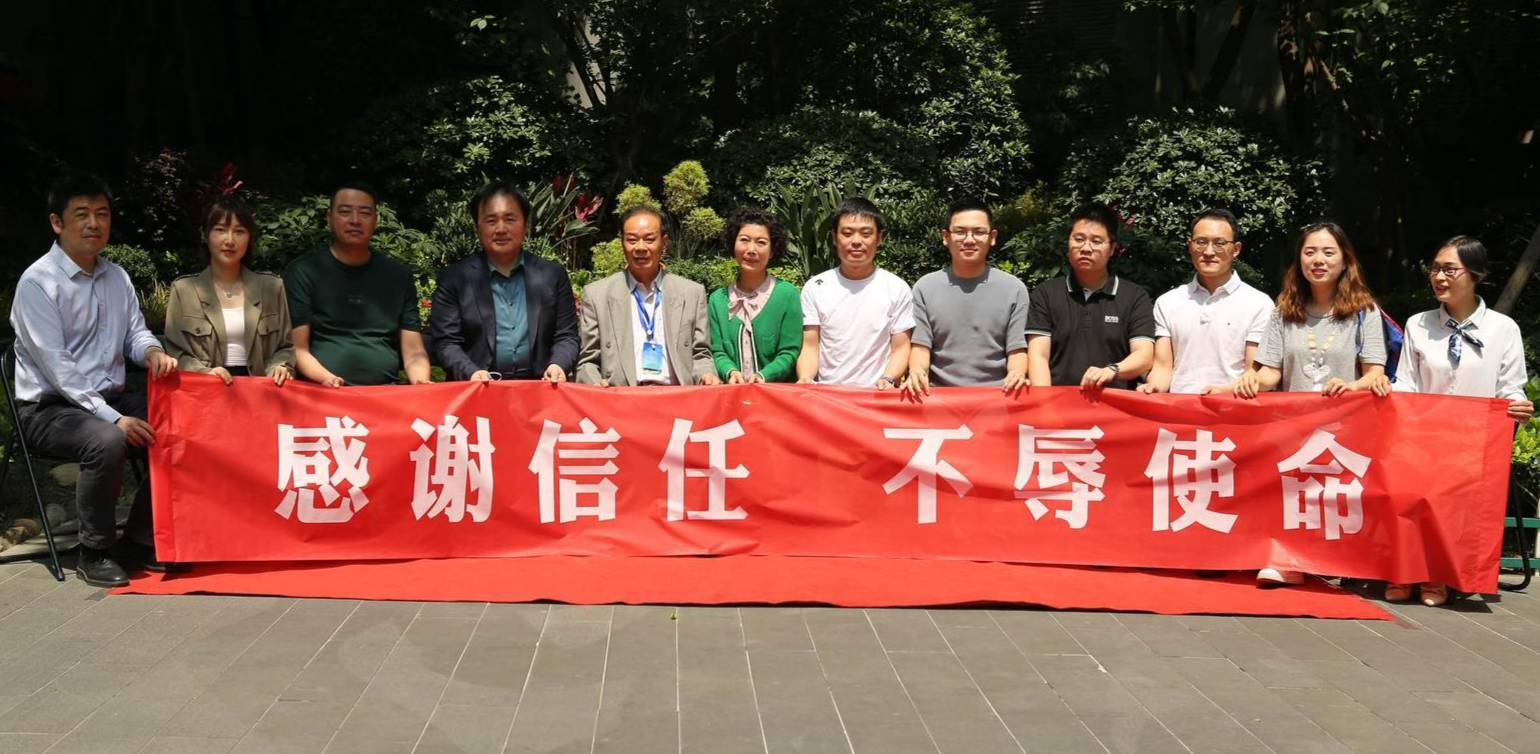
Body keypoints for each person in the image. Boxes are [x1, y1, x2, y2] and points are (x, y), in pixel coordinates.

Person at [9, 171, 179, 586]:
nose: (93, 223)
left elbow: (135, 334)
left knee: (182, 422)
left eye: (102, 213)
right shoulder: (37, 283)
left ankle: (140, 540)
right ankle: (95, 551)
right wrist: (113, 418)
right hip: (48, 410)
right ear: (57, 223)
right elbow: (59, 369)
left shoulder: (116, 277)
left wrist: (152, 352)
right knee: (107, 440)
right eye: (81, 214)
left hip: (108, 399)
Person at [1239, 221, 1390, 587]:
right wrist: (1247, 381)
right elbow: (1271, 373)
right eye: (1310, 252)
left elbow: (1375, 374)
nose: (1318, 260)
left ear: (1345, 260)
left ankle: (1336, 559)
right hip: (1293, 427)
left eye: (1328, 252)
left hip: (1344, 429)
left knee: (1336, 496)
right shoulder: (1284, 310)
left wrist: (1351, 385)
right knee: (1294, 493)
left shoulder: (1364, 311)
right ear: (1299, 260)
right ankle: (1288, 562)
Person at [1388, 236, 1533, 606]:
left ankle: (1437, 576)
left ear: (1476, 274)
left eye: (1450, 270)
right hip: (1423, 435)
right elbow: (1407, 382)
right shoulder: (1418, 324)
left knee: (1455, 502)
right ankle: (1405, 572)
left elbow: (1510, 387)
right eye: (1435, 269)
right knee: (1411, 498)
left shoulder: (1503, 329)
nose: (1439, 277)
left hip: (1474, 441)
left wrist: (1517, 405)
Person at [283, 180, 430, 387]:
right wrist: (328, 380)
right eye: (345, 212)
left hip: (385, 390)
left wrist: (421, 381)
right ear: (329, 219)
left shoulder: (398, 275)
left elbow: (414, 351)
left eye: (364, 213)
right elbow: (298, 349)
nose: (355, 220)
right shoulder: (303, 271)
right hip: (321, 389)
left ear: (375, 220)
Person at [430, 180, 579, 382]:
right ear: (478, 227)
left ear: (525, 225)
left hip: (540, 388)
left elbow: (567, 336)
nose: (500, 229)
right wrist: (471, 372)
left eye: (510, 219)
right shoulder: (454, 278)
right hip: (478, 390)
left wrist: (558, 364)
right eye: (491, 221)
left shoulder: (552, 275)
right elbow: (446, 342)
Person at [575, 207, 720, 386]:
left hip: (677, 395)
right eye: (632, 240)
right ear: (622, 243)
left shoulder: (691, 293)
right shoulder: (597, 295)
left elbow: (701, 355)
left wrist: (706, 374)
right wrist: (595, 384)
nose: (640, 247)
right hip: (620, 396)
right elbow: (587, 361)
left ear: (664, 242)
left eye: (649, 239)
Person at [903, 198, 1030, 398]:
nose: (969, 240)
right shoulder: (924, 288)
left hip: (998, 397)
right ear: (946, 237)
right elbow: (920, 346)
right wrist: (917, 371)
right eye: (960, 232)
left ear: (992, 237)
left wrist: (1017, 373)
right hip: (938, 398)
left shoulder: (1014, 289)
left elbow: (1017, 349)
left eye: (978, 232)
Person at [163, 194, 295, 385]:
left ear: (249, 237)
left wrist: (281, 367)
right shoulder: (184, 290)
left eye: (239, 231)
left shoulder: (271, 287)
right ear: (204, 234)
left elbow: (285, 346)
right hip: (207, 390)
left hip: (262, 389)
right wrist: (204, 373)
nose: (230, 240)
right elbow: (176, 352)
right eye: (220, 230)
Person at [1138, 209, 1272, 396]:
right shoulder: (1167, 302)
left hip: (1234, 407)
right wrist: (1153, 386)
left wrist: (1221, 392)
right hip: (1179, 408)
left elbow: (1252, 372)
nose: (1209, 252)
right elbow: (1163, 368)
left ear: (1236, 249)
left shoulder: (1259, 303)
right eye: (1201, 242)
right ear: (1190, 246)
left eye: (1219, 243)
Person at [1025, 202, 1155, 391]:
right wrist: (1044, 401)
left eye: (1096, 241)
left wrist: (1111, 371)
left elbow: (1144, 355)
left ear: (1112, 248)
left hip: (1115, 405)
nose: (1086, 248)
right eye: (1078, 239)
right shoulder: (1045, 294)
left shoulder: (1134, 296)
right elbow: (1038, 356)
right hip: (1059, 404)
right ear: (1068, 243)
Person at [796, 198, 914, 388]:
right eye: (847, 233)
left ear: (879, 238)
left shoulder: (896, 288)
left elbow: (900, 348)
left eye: (866, 234)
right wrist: (805, 378)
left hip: (877, 395)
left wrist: (889, 378)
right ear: (834, 238)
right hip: (827, 396)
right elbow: (810, 347)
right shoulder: (815, 287)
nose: (856, 241)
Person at [708, 207, 802, 383]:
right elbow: (717, 351)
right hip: (732, 395)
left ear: (772, 250)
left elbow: (789, 350)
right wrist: (729, 371)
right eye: (744, 240)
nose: (751, 249)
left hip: (776, 394)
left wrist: (764, 376)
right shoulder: (717, 300)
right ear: (733, 244)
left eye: (761, 242)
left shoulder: (787, 295)